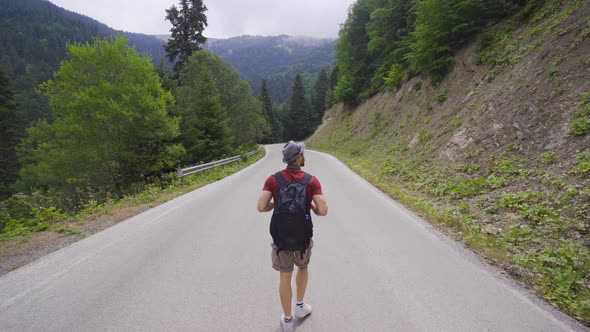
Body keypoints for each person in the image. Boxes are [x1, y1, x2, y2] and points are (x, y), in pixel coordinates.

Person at [257, 141, 328, 332]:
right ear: (298, 157)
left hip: (281, 237)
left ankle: (287, 321)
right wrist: (310, 206)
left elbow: (261, 206)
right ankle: (300, 307)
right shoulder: (312, 181)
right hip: (303, 236)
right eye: (303, 153)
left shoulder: (273, 179)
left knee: (284, 275)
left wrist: (275, 204)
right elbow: (323, 210)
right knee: (303, 268)